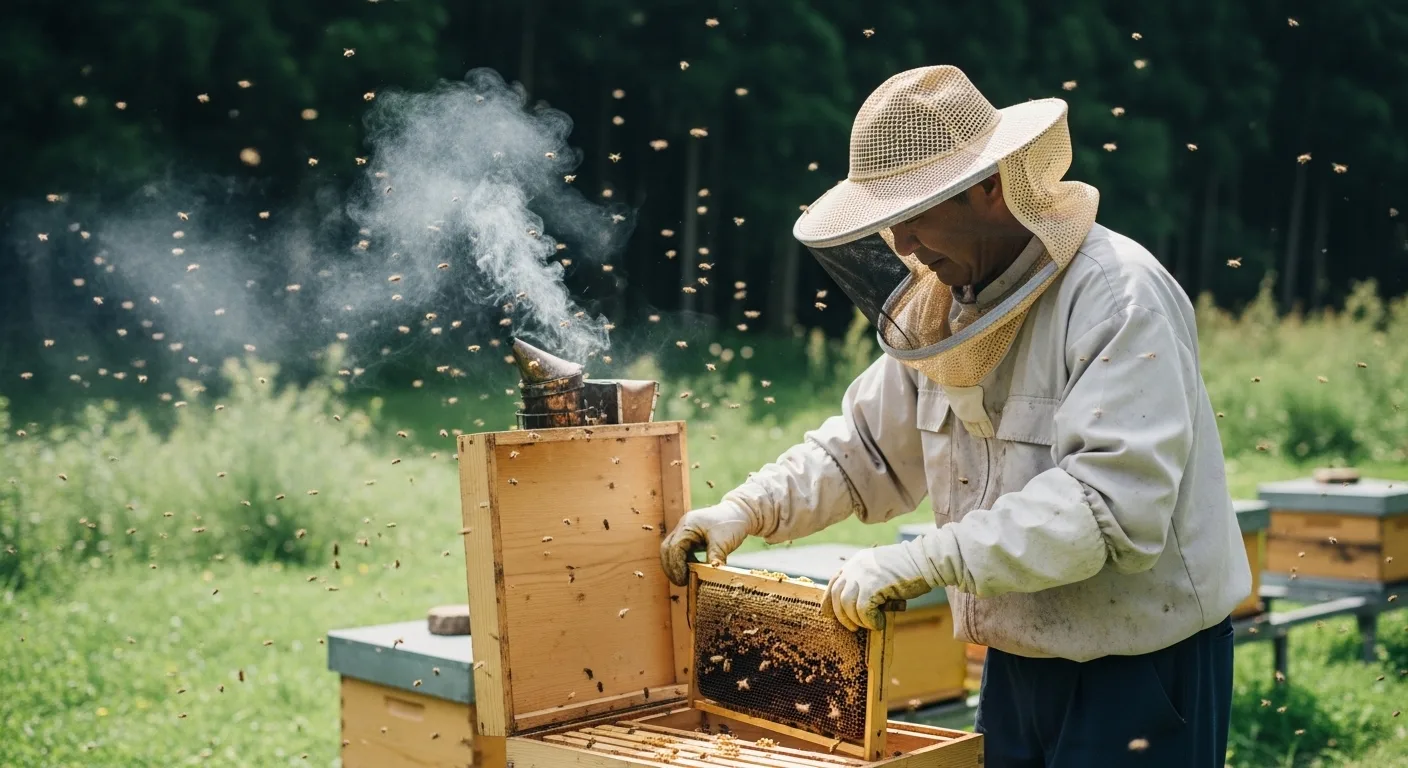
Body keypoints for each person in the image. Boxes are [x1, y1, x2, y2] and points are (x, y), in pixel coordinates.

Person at [660, 65, 1250, 767]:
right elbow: (863, 453)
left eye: (914, 213)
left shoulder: (1118, 296)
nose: (903, 245)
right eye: (888, 222)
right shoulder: (945, 307)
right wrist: (747, 509)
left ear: (988, 188)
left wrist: (921, 561)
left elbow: (1107, 509)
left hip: (1141, 667)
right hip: (1016, 660)